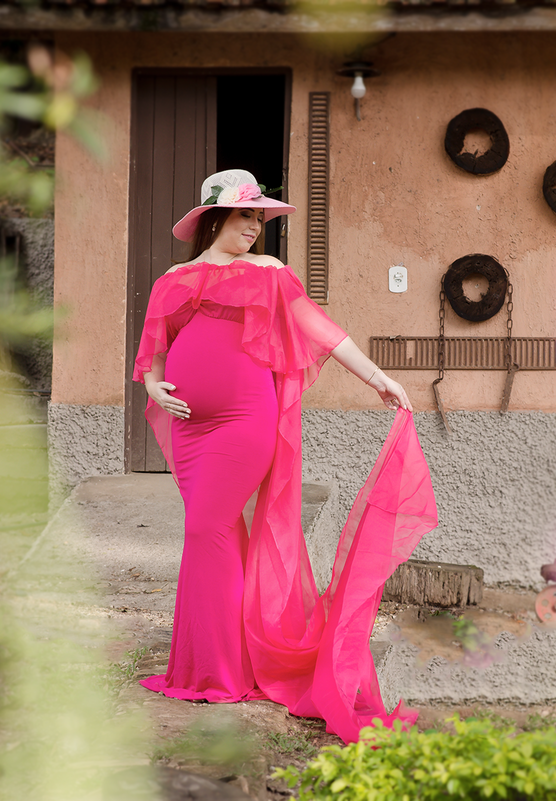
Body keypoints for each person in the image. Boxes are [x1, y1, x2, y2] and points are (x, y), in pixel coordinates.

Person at [132, 169, 438, 743]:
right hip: (192, 429)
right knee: (216, 534)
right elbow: (155, 344)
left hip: (245, 421)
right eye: (246, 215)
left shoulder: (269, 273)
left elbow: (323, 331)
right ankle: (213, 665)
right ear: (215, 219)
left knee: (205, 530)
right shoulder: (174, 279)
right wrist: (152, 385)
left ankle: (217, 673)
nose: (255, 227)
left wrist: (378, 378)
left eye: (260, 218)